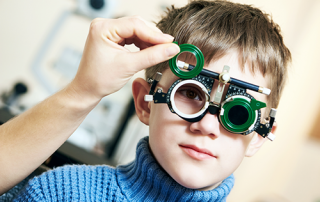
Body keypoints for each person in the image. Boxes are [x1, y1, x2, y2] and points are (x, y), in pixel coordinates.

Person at [0, 0, 291, 201]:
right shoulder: (61, 193)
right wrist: (82, 91)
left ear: (259, 136)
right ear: (144, 102)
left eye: (238, 112)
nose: (206, 125)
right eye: (190, 93)